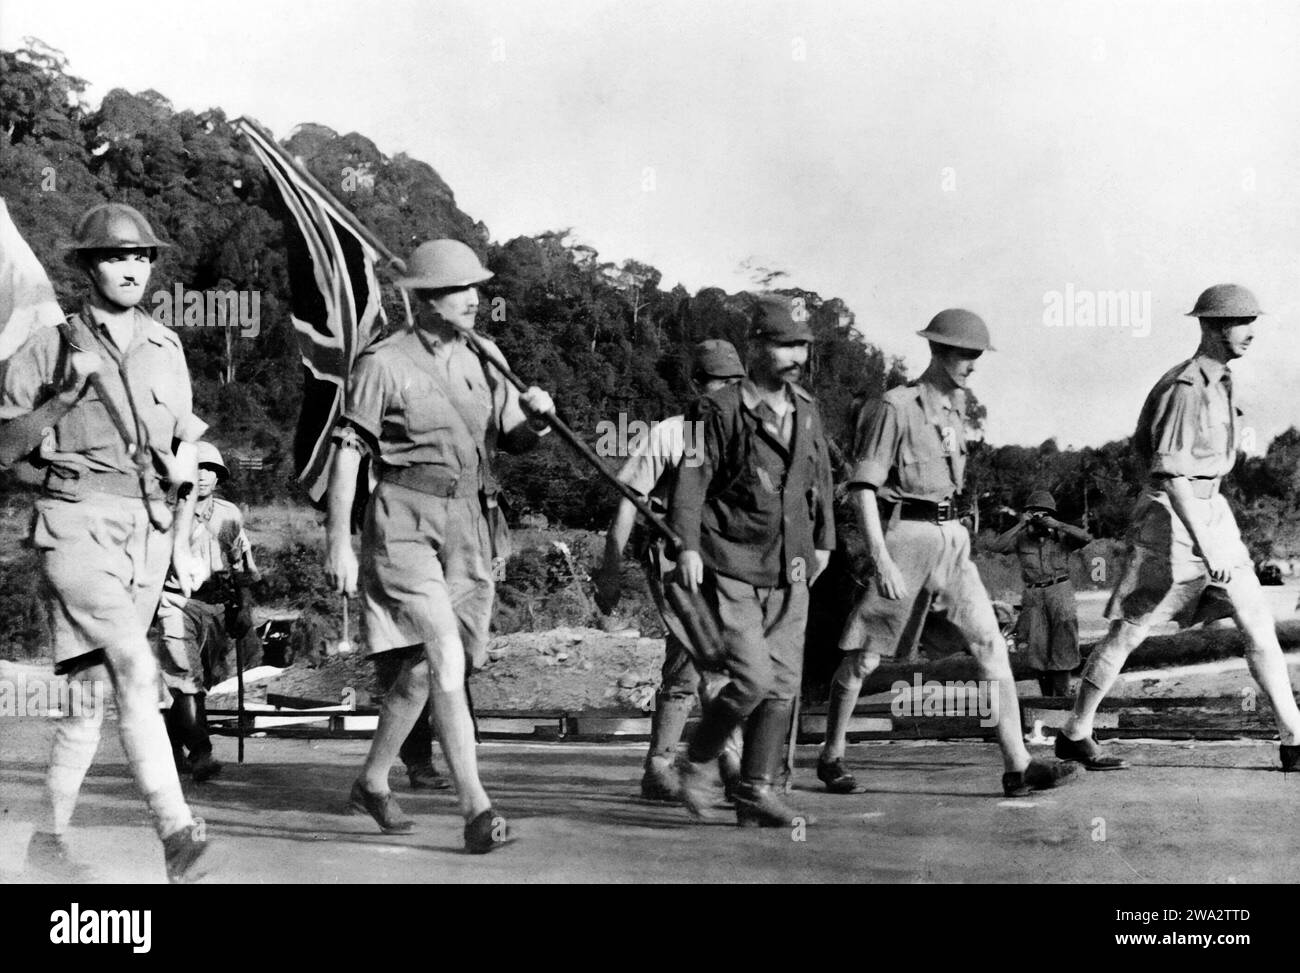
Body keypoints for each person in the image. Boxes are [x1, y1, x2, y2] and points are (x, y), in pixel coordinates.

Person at [0, 202, 215, 882]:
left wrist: (189, 481)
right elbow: (3, 446)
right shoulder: (50, 345)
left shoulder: (167, 347)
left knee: (92, 693)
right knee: (135, 663)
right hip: (76, 523)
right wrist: (62, 398)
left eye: (141, 257)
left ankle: (47, 836)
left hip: (147, 532)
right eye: (115, 256)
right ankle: (175, 827)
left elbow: (187, 441)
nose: (130, 268)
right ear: (89, 267)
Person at [324, 239, 553, 853]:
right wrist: (339, 543)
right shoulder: (382, 363)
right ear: (422, 299)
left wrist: (536, 418)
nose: (475, 300)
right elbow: (347, 455)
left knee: (427, 672)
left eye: (476, 288)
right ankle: (476, 807)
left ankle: (373, 780)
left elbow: (515, 439)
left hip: (471, 523)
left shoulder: (488, 355)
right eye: (459, 291)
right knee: (444, 653)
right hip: (402, 522)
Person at [818, 309, 1081, 798]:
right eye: (964, 354)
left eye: (977, 356)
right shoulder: (894, 407)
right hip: (905, 540)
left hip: (952, 539)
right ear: (937, 351)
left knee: (990, 646)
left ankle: (1017, 766)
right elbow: (862, 489)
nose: (972, 365)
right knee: (863, 661)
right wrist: (881, 559)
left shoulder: (957, 407)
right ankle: (831, 755)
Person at [1057, 284, 1300, 772]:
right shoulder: (1183, 388)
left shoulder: (1221, 380)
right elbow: (1167, 471)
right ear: (1211, 327)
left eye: (1255, 322)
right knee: (1131, 631)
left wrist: (1214, 532)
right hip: (1171, 518)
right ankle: (1074, 732)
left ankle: (1294, 739)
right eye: (1241, 323)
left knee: (1256, 622)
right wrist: (1204, 541)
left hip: (1212, 510)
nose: (1252, 333)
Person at [667, 296, 834, 827]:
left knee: (785, 684)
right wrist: (687, 545)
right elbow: (691, 479)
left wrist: (824, 540)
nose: (797, 357)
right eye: (786, 345)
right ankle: (696, 762)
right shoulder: (717, 409)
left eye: (803, 346)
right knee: (752, 679)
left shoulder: (806, 411)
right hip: (731, 561)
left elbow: (822, 482)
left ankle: (756, 791)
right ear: (757, 346)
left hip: (793, 566)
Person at [592, 339, 747, 801]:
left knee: (693, 662)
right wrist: (611, 567)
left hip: (726, 560)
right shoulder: (669, 434)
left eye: (735, 385)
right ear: (697, 385)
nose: (728, 395)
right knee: (704, 654)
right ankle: (730, 763)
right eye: (719, 385)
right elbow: (629, 498)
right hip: (673, 557)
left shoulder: (748, 434)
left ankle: (660, 765)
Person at [156, 441, 262, 783]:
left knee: (201, 682)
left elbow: (242, 566)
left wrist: (245, 607)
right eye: (196, 467)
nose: (203, 476)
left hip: (218, 605)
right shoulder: (164, 510)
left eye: (211, 470)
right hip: (175, 602)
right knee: (186, 677)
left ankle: (171, 747)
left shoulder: (229, 514)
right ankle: (202, 753)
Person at [987, 489, 1092, 697]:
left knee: (1063, 647)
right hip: (1034, 596)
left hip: (1060, 592)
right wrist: (1020, 524)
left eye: (1044, 514)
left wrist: (1057, 525)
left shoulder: (1062, 535)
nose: (1039, 518)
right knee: (1038, 651)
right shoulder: (1021, 538)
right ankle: (1046, 700)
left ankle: (1062, 698)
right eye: (1035, 513)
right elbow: (996, 547)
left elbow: (1086, 537)